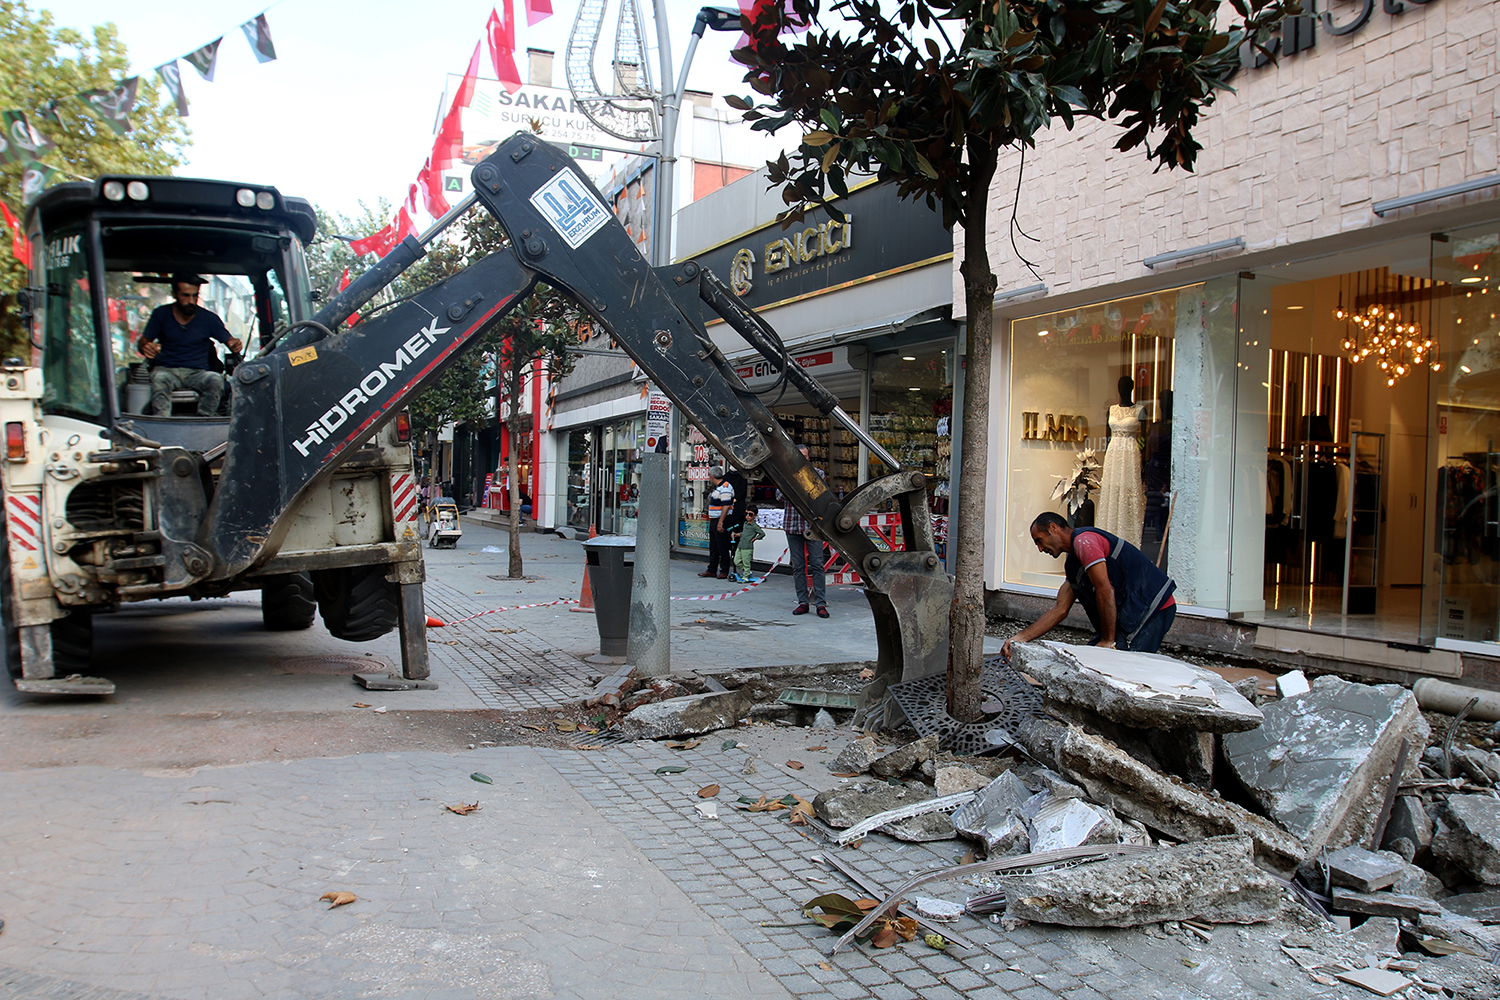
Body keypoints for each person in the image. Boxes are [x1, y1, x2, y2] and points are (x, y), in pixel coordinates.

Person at [1001, 511, 1176, 659]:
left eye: (1039, 540)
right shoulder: (1072, 564)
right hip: (1131, 613)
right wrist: (1019, 638)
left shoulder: (1085, 542)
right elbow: (1060, 609)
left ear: (1053, 528)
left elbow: (1105, 590)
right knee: (1093, 659)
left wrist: (1108, 641)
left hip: (1151, 608)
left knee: (1120, 664)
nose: (1039, 549)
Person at [138, 273, 242, 416]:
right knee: (160, 380)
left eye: (195, 296)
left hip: (197, 373)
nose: (191, 301)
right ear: (174, 294)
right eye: (185, 295)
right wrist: (146, 347)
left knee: (215, 379)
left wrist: (234, 344)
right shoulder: (161, 314)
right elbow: (143, 342)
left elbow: (230, 341)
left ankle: (204, 420)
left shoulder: (209, 319)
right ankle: (162, 423)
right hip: (167, 370)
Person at [783, 443, 829, 618]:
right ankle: (802, 602)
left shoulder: (818, 474)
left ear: (809, 457)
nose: (802, 459)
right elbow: (780, 496)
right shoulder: (785, 474)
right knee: (798, 566)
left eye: (805, 456)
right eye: (799, 455)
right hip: (792, 524)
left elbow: (819, 497)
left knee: (817, 564)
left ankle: (820, 603)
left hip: (813, 526)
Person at [699, 467, 735, 579]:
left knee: (722, 545)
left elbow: (726, 506)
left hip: (722, 519)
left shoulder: (725, 487)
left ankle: (724, 570)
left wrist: (720, 522)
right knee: (714, 546)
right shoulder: (719, 487)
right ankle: (712, 569)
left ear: (712, 477)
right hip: (715, 519)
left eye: (709, 476)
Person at [731, 505, 766, 583]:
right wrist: (738, 534)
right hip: (740, 545)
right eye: (746, 514)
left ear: (755, 516)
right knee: (736, 561)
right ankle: (747, 571)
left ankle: (746, 576)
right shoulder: (745, 524)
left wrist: (756, 538)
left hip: (747, 547)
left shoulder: (754, 526)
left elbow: (762, 533)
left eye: (750, 514)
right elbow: (744, 533)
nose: (747, 516)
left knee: (746, 562)